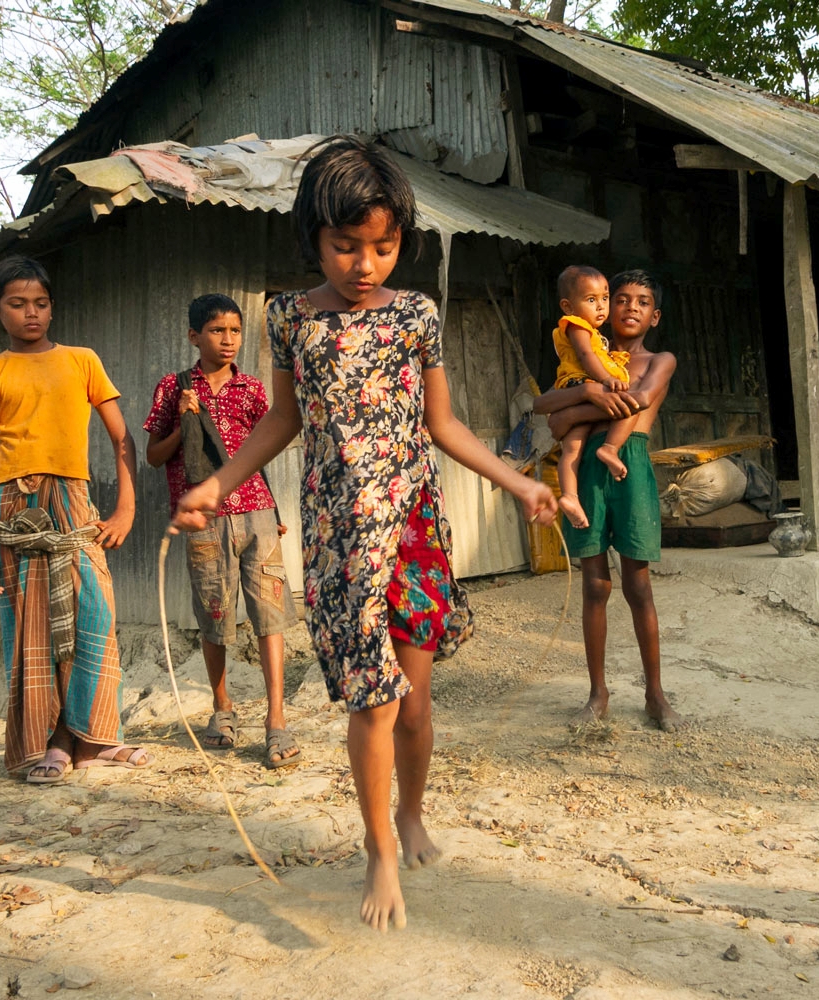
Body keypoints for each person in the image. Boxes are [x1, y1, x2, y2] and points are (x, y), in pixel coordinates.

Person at [171, 136, 555, 932]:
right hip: (341, 541)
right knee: (373, 704)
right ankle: (379, 845)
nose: (365, 264)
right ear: (313, 237)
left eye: (383, 247)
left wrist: (519, 481)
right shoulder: (288, 318)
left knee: (414, 704)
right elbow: (281, 422)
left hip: (413, 529)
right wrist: (215, 483)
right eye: (346, 247)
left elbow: (444, 425)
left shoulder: (417, 315)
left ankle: (411, 812)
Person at [0, 255, 146, 784]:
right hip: (12, 507)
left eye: (40, 303)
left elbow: (121, 438)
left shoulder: (82, 360)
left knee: (95, 614)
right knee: (29, 627)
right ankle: (51, 742)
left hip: (72, 503)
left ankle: (92, 739)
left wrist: (127, 506)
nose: (31, 314)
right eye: (17, 305)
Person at [144, 293, 302, 768]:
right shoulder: (173, 388)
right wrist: (184, 417)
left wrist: (273, 508)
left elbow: (266, 447)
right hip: (206, 520)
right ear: (194, 336)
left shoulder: (252, 389)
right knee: (216, 615)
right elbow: (154, 455)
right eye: (217, 331)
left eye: (234, 330)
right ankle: (222, 708)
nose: (228, 339)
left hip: (256, 510)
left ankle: (276, 720)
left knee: (270, 614)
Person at [533, 269, 682, 732]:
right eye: (620, 299)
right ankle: (598, 694)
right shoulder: (584, 353)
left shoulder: (660, 360)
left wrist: (577, 402)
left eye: (641, 301)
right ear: (600, 307)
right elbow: (544, 412)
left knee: (638, 586)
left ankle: (655, 694)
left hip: (629, 461)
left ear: (654, 316)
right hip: (586, 469)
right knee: (595, 585)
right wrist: (587, 390)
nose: (629, 308)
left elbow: (635, 402)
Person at [549, 265, 639, 529]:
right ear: (567, 307)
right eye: (591, 300)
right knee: (629, 408)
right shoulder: (577, 326)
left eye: (604, 298)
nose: (601, 306)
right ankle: (609, 449)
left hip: (574, 388)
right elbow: (587, 358)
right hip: (584, 383)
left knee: (572, 450)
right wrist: (606, 378)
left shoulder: (593, 333)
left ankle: (569, 497)